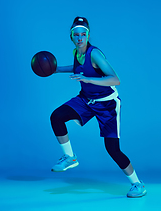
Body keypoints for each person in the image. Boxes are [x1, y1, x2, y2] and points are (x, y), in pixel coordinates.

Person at [50, 17, 146, 198]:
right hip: (86, 100)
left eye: (83, 34)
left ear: (88, 35)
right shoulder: (77, 52)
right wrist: (57, 69)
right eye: (76, 35)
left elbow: (115, 79)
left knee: (112, 149)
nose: (80, 38)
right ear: (71, 36)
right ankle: (70, 157)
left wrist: (89, 80)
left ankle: (137, 184)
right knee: (56, 116)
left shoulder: (94, 54)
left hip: (107, 104)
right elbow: (78, 68)